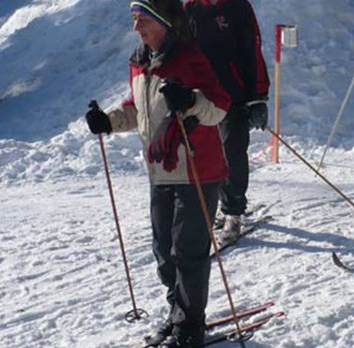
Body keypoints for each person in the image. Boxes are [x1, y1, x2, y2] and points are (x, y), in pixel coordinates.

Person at [85, 1, 230, 347]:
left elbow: (219, 107)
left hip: (198, 170)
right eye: (134, 21)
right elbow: (140, 109)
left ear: (164, 21)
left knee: (188, 252)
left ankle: (189, 327)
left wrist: (191, 100)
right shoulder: (140, 62)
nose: (137, 28)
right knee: (164, 253)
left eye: (143, 20)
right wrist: (109, 121)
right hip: (161, 172)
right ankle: (177, 313)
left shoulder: (190, 59)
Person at [184, 0, 270, 244]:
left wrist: (259, 96)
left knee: (232, 152)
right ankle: (214, 207)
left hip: (235, 97)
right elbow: (181, 52)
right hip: (201, 97)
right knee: (206, 154)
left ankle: (233, 212)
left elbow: (253, 49)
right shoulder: (190, 8)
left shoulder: (238, 6)